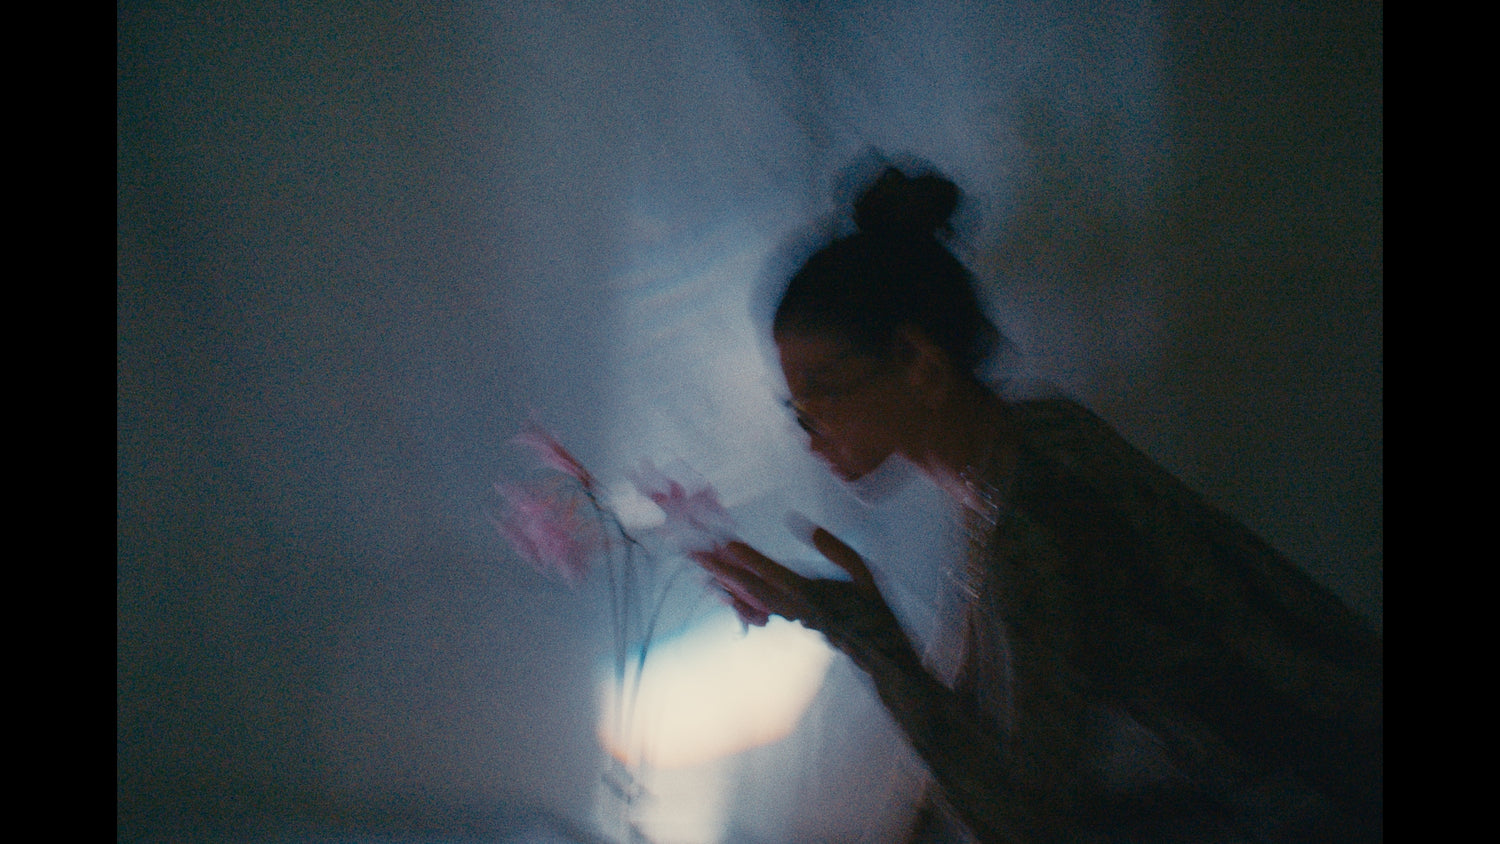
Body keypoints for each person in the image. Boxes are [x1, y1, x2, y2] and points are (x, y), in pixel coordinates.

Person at [692, 165, 1382, 843]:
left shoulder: (1035, 511)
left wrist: (862, 629)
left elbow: (1023, 823)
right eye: (795, 407)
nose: (809, 432)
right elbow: (972, 705)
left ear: (919, 365)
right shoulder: (1024, 450)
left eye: (821, 394)